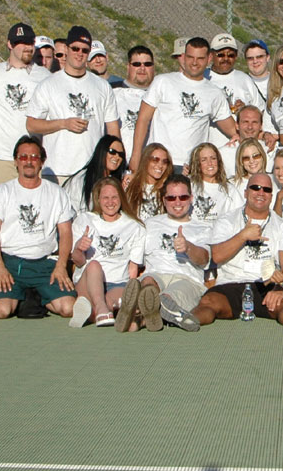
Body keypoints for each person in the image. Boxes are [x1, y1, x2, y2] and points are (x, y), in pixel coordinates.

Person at [0, 136, 77, 319]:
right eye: (23, 157)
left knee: (69, 309)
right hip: (11, 263)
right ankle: (28, 297)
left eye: (34, 157)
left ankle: (35, 296)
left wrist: (61, 265)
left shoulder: (56, 193)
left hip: (45, 264)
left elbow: (65, 233)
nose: (28, 161)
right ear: (16, 162)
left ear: (42, 162)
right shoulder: (2, 192)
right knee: (2, 311)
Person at [194, 172, 283, 327]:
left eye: (266, 189)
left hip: (266, 283)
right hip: (231, 282)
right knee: (208, 302)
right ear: (246, 192)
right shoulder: (227, 221)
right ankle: (189, 321)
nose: (261, 193)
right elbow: (216, 257)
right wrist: (243, 236)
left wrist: (279, 289)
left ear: (271, 196)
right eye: (255, 188)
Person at [26, 25, 119, 189]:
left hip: (92, 169)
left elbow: (112, 129)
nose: (79, 54)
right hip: (57, 170)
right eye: (75, 48)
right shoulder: (48, 84)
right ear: (67, 49)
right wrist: (63, 123)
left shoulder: (102, 86)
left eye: (84, 50)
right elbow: (31, 124)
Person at [132, 36, 236, 172]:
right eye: (190, 57)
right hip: (159, 161)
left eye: (200, 58)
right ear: (183, 56)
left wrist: (261, 135)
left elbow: (233, 129)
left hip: (191, 166)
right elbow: (143, 120)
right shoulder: (163, 81)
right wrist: (136, 155)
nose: (194, 63)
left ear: (209, 58)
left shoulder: (215, 93)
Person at [133, 174, 213, 332]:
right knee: (148, 281)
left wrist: (188, 247)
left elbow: (204, 259)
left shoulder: (203, 227)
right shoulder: (150, 224)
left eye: (182, 197)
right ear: (164, 200)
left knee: (168, 297)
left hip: (187, 279)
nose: (177, 202)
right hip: (156, 274)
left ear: (191, 199)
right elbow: (135, 258)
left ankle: (140, 317)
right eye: (171, 198)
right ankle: (153, 312)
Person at [71, 177, 146, 329]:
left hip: (117, 282)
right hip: (88, 280)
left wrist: (132, 287)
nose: (110, 202)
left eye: (114, 197)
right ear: (98, 199)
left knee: (113, 302)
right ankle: (100, 308)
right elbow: (78, 261)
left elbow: (133, 269)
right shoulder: (84, 220)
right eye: (105, 198)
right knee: (94, 265)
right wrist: (79, 248)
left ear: (121, 198)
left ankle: (95, 313)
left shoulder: (134, 226)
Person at [0, 22, 46, 186]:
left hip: (33, 157)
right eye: (22, 43)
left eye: (30, 43)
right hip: (2, 157)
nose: (27, 47)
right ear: (9, 44)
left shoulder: (44, 76)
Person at [208, 33, 276, 150]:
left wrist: (246, 111)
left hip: (242, 150)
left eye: (231, 55)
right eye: (220, 54)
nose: (226, 59)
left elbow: (260, 112)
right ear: (211, 56)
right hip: (212, 148)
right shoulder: (204, 77)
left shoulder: (244, 79)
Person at [113, 45, 156, 154]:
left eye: (147, 64)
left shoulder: (162, 95)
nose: (142, 68)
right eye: (136, 64)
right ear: (128, 66)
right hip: (118, 160)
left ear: (153, 67)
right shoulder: (111, 91)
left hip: (151, 163)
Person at [187, 141, 243, 222]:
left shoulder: (230, 190)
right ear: (197, 163)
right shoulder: (189, 185)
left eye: (213, 158)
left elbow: (239, 217)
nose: (210, 163)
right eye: (204, 160)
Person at [78, 133, 128, 211]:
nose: (117, 157)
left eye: (121, 154)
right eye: (112, 151)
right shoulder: (81, 179)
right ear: (102, 151)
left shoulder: (122, 181)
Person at [125, 143, 173, 220]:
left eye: (164, 161)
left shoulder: (168, 188)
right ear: (145, 160)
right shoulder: (129, 185)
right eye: (155, 160)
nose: (160, 165)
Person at [243, 39, 272, 103]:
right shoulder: (241, 84)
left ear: (267, 57)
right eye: (250, 58)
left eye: (259, 57)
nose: (255, 61)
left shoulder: (280, 82)